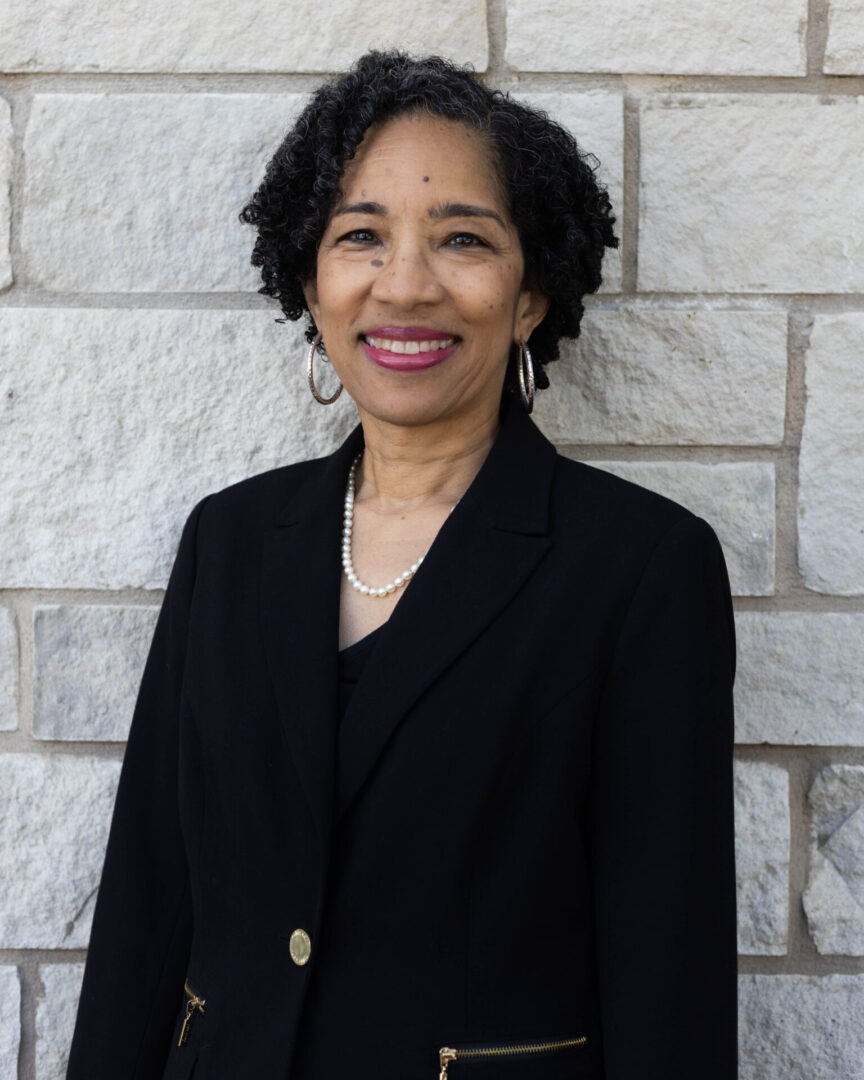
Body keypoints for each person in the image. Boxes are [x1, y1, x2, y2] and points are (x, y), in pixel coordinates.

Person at [66, 50, 737, 1080]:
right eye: (361, 238)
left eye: (463, 238)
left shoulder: (641, 569)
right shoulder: (230, 543)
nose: (407, 283)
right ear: (312, 282)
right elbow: (150, 903)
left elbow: (668, 970)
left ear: (529, 297)